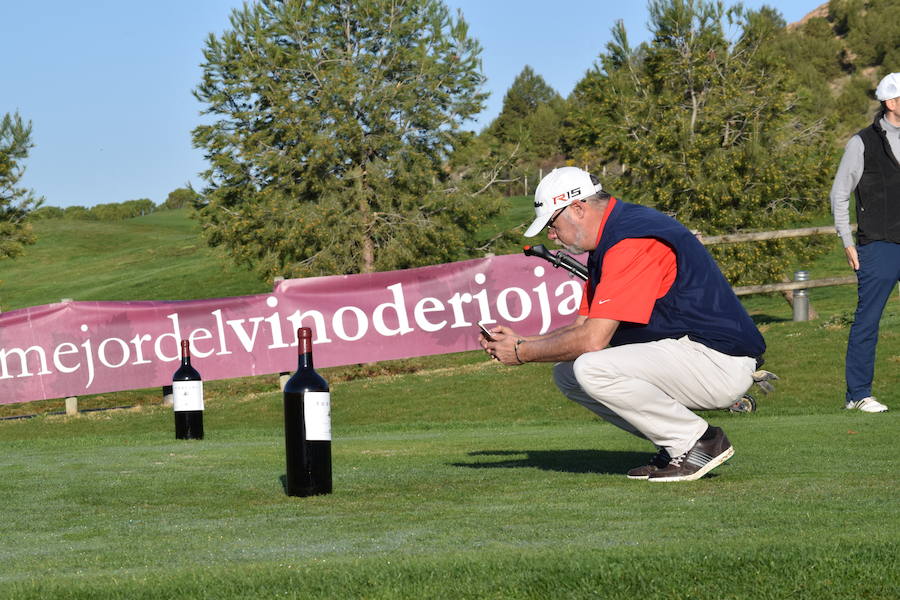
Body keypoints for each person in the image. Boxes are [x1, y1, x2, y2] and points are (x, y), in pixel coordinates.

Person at [480, 166, 766, 482]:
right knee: (568, 373)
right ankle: (677, 447)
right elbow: (582, 327)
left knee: (591, 367)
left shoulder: (631, 239)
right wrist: (524, 342)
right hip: (695, 354)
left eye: (552, 223)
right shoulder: (612, 239)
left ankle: (699, 443)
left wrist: (521, 353)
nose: (551, 234)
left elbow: (592, 341)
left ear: (577, 208)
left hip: (719, 360)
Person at [829, 72, 900, 414]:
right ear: (890, 102)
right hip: (878, 245)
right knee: (868, 320)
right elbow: (840, 194)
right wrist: (847, 240)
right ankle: (858, 394)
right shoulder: (861, 143)